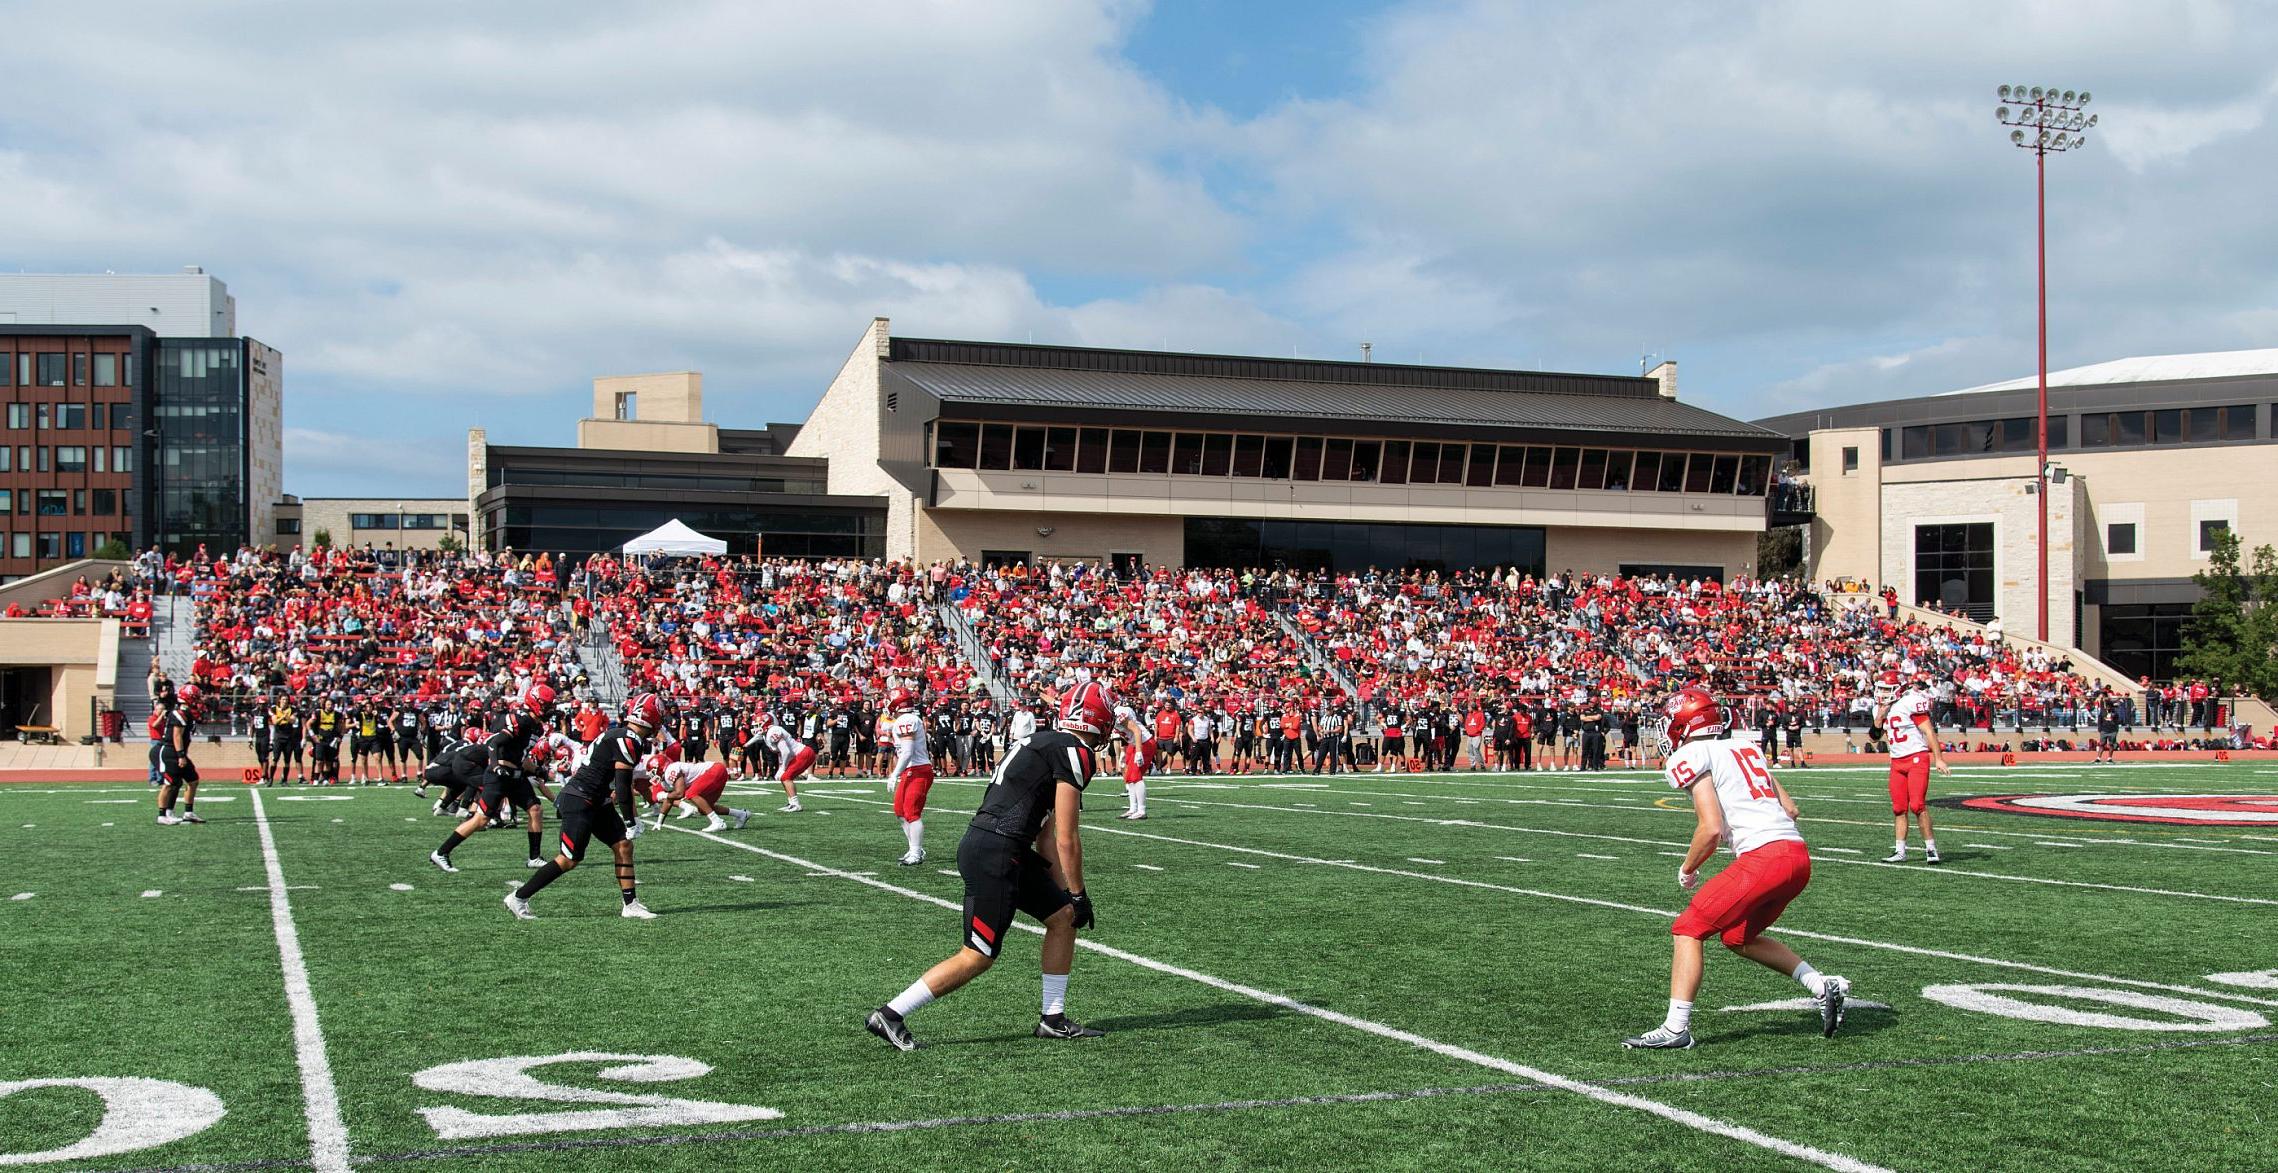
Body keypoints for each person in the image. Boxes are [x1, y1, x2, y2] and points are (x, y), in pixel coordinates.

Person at [865, 680, 1111, 1051]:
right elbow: (1066, 837)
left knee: (1063, 917)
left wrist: (1069, 898)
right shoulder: (1075, 752)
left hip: (998, 846)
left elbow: (1045, 838)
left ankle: (1053, 1018)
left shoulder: (1044, 742)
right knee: (978, 955)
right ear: (1100, 721)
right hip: (997, 851)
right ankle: (892, 1012)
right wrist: (1079, 891)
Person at [1624, 688, 1849, 1050]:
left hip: (1764, 858)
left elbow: (1710, 828)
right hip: (1796, 856)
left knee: (1688, 929)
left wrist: (1688, 869)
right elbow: (1791, 809)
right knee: (1737, 938)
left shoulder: (1694, 754)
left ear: (1685, 723)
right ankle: (1823, 986)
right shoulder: (1746, 747)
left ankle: (1676, 1028)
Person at [507, 692, 662, 921]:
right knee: (569, 859)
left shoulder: (621, 734)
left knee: (623, 845)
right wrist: (630, 820)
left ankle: (630, 904)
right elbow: (622, 783)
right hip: (580, 799)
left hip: (596, 799)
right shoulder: (628, 739)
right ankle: (519, 897)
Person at [428, 683, 557, 872]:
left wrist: (538, 771)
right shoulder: (521, 721)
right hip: (499, 776)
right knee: (481, 819)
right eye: (547, 705)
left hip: (515, 775)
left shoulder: (535, 725)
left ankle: (534, 857)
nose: (550, 710)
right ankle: (441, 852)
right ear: (536, 703)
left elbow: (520, 756)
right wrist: (495, 765)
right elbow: (494, 744)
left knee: (535, 809)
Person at [1874, 672, 1951, 864]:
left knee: (1917, 805)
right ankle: (1900, 851)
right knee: (1899, 808)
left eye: (1885, 688)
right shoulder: (1882, 708)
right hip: (1897, 761)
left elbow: (1929, 731)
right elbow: (1874, 737)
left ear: (1896, 689)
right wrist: (1879, 717)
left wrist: (1938, 758)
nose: (1882, 693)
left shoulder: (1909, 702)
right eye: (1881, 688)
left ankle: (1931, 849)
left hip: (1916, 757)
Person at [885, 687, 936, 865]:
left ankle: (915, 852)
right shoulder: (906, 720)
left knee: (912, 813)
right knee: (900, 812)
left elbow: (907, 752)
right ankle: (915, 848)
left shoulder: (906, 720)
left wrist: (894, 774)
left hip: (918, 769)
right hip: (911, 770)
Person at [644, 753, 752, 833]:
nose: (652, 775)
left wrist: (664, 795)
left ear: (660, 767)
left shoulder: (670, 770)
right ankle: (741, 814)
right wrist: (659, 822)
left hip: (714, 770)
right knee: (704, 808)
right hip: (717, 771)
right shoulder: (666, 780)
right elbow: (669, 801)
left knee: (691, 794)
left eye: (653, 772)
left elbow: (680, 794)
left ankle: (718, 822)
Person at [154, 686, 206, 826]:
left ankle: (188, 813)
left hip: (177, 751)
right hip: (170, 751)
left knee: (193, 780)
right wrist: (181, 756)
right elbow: (177, 736)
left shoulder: (186, 713)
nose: (198, 700)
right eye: (196, 697)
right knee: (170, 784)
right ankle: (162, 815)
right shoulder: (179, 714)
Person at [751, 712, 813, 811]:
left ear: (766, 723)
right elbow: (782, 753)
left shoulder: (773, 731)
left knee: (786, 776)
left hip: (803, 753)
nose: (755, 728)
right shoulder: (766, 734)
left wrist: (782, 768)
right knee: (783, 777)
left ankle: (796, 805)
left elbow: (786, 751)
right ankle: (791, 802)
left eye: (758, 725)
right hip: (799, 754)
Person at [1114, 703, 1156, 820]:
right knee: (1128, 777)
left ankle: (1142, 810)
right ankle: (1133, 808)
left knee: (1135, 776)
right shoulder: (1111, 715)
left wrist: (1138, 751)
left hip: (1144, 743)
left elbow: (1137, 731)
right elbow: (1127, 734)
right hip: (1134, 744)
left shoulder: (1117, 713)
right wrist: (1124, 750)